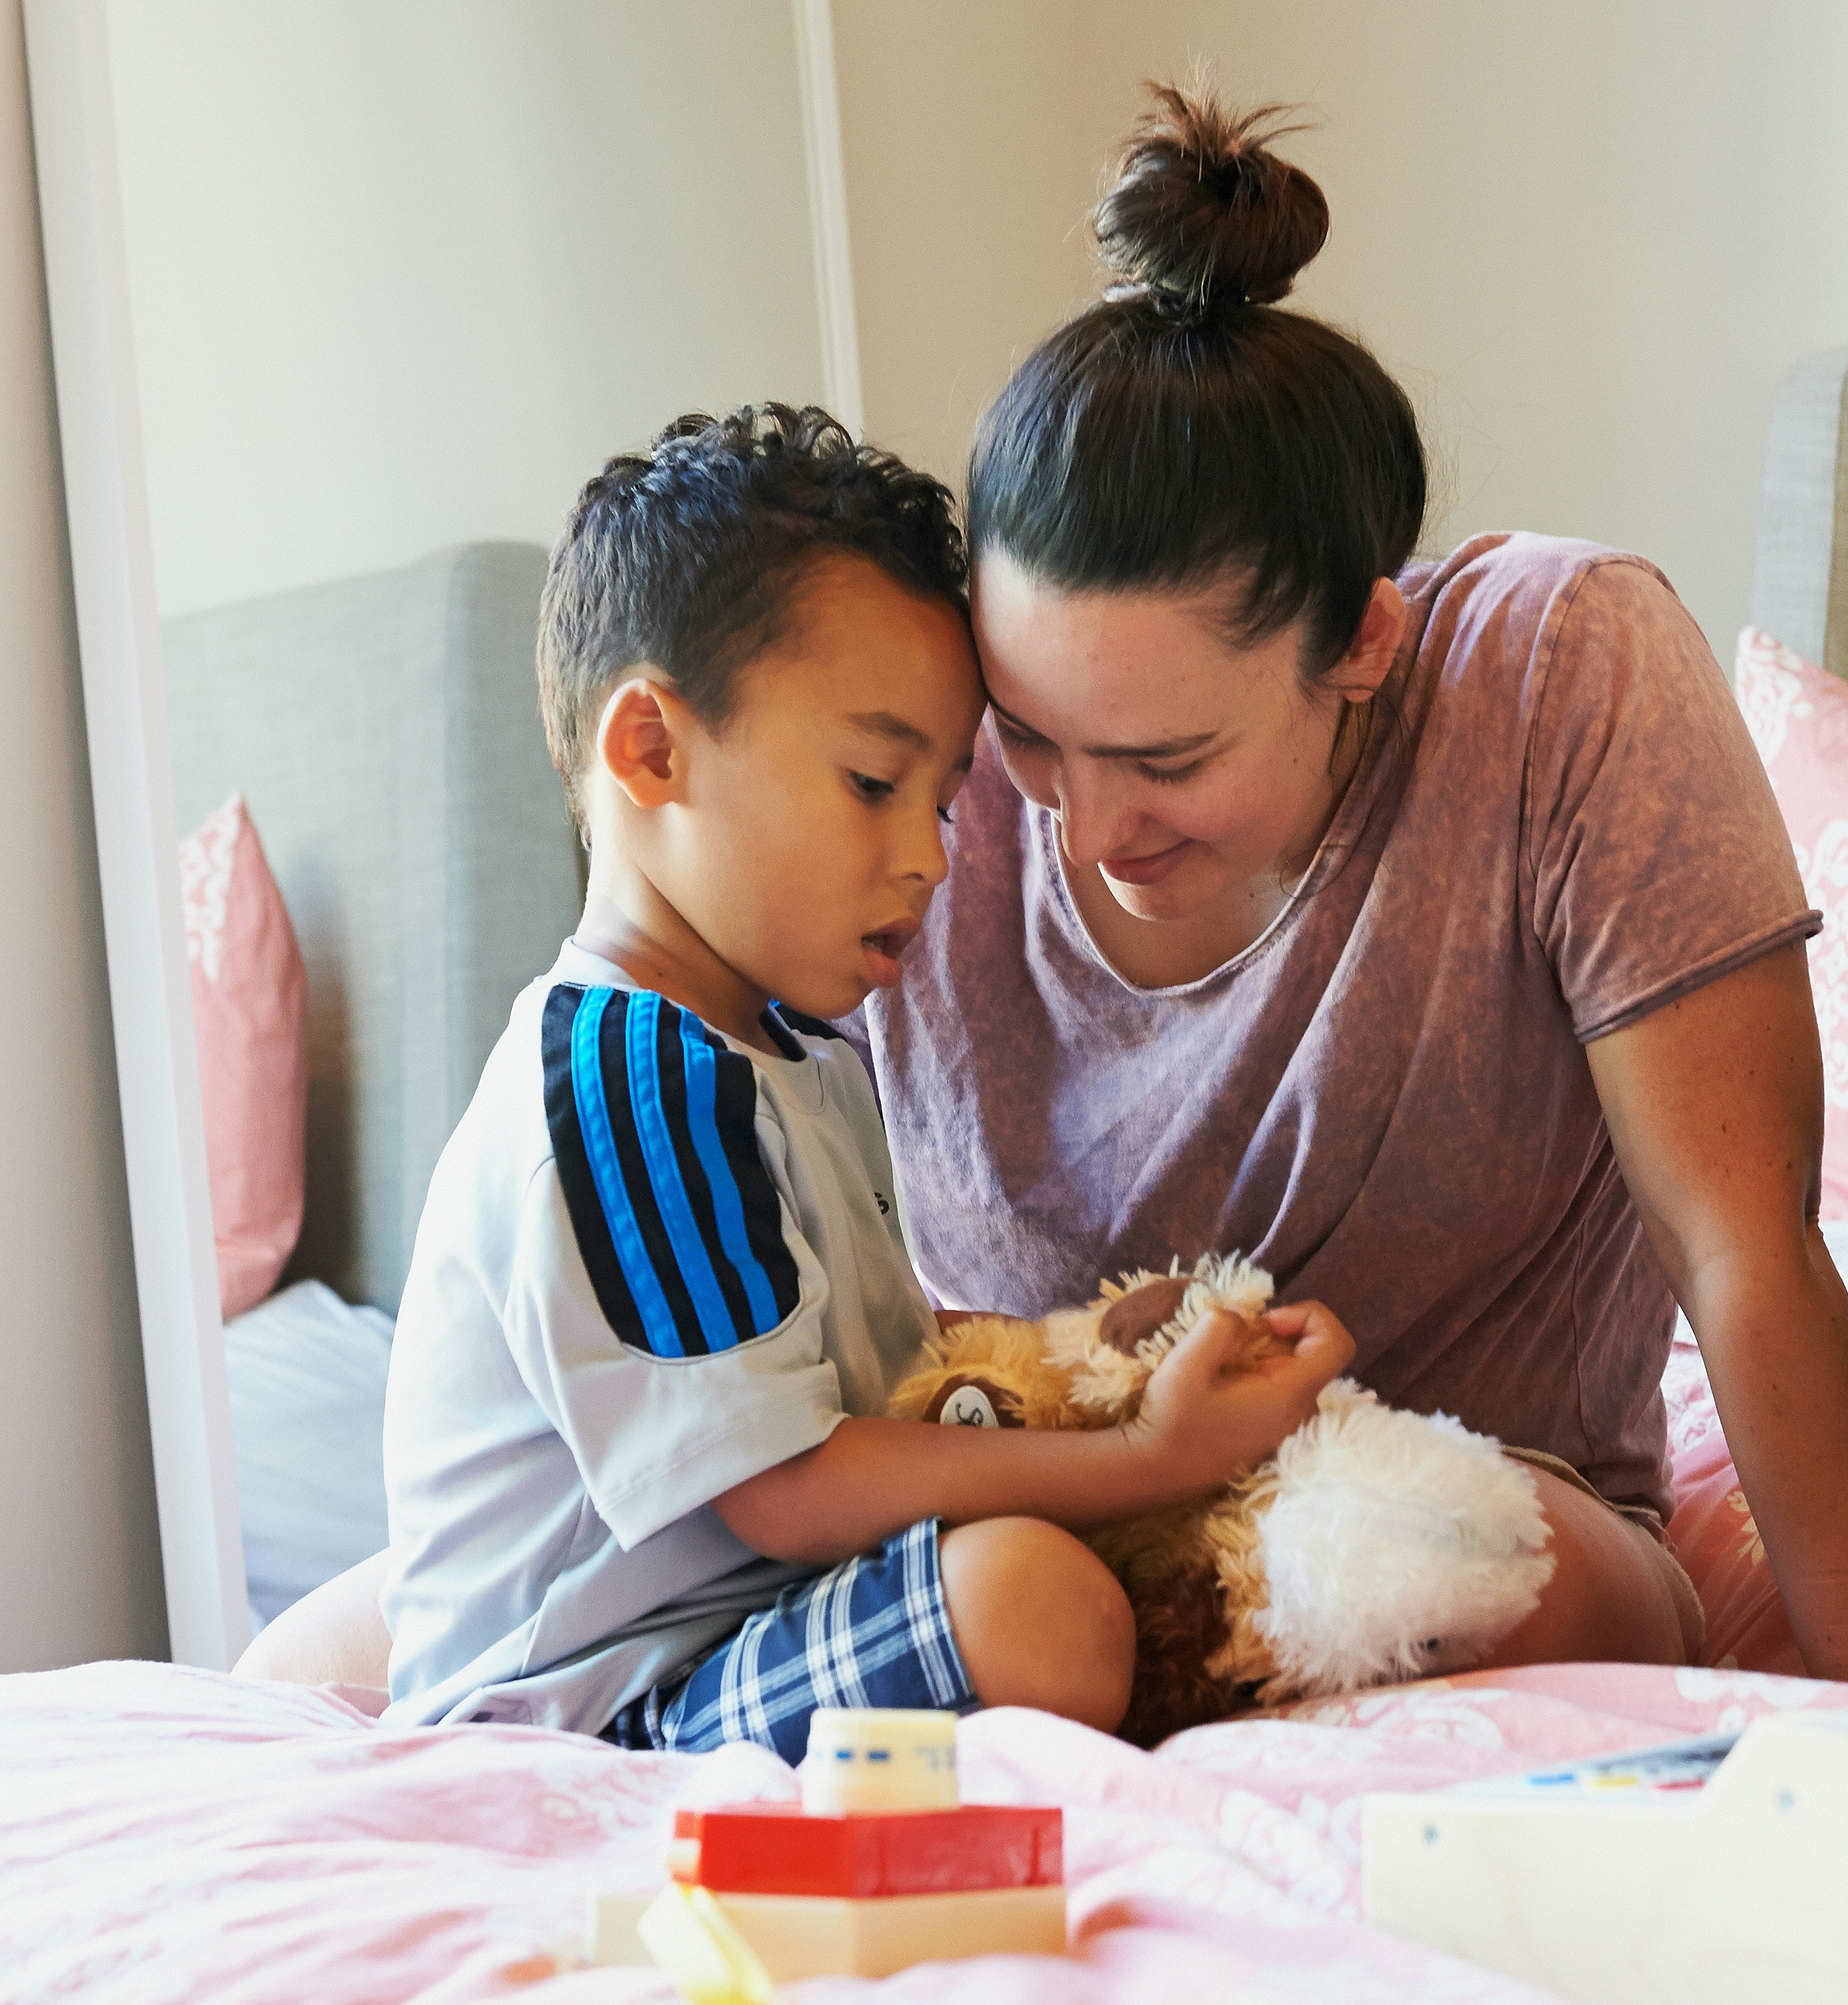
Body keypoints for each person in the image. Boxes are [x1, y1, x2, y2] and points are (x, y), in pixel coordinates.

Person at [858, 89, 1848, 1688]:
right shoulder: (910, 763)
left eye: (1165, 758)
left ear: (1364, 645)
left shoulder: (1555, 673)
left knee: (1414, 1565)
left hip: (1484, 1535)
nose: (1084, 830)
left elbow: (1746, 1251)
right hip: (1040, 1539)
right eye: (1032, 739)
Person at [362, 405, 1351, 1754]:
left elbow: (845, 1355)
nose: (932, 856)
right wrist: (1142, 1463)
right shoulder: (628, 1084)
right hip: (596, 1706)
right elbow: (782, 1481)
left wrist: (1080, 1356)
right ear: (652, 750)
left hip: (755, 1622)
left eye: (942, 800)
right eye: (874, 780)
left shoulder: (787, 1056)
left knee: (1094, 1575)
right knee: (1032, 1596)